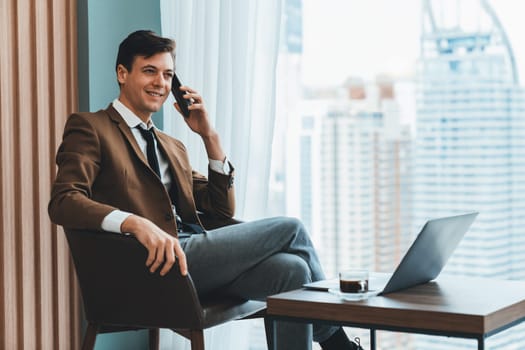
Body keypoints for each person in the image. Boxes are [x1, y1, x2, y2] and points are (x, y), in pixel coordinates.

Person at [48, 30, 363, 350]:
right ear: (122, 73)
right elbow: (64, 200)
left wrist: (208, 135)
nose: (160, 82)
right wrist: (133, 222)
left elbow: (220, 208)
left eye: (168, 74)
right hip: (149, 265)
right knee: (291, 228)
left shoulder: (172, 146)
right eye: (149, 71)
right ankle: (340, 345)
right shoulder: (91, 127)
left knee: (291, 272)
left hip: (192, 256)